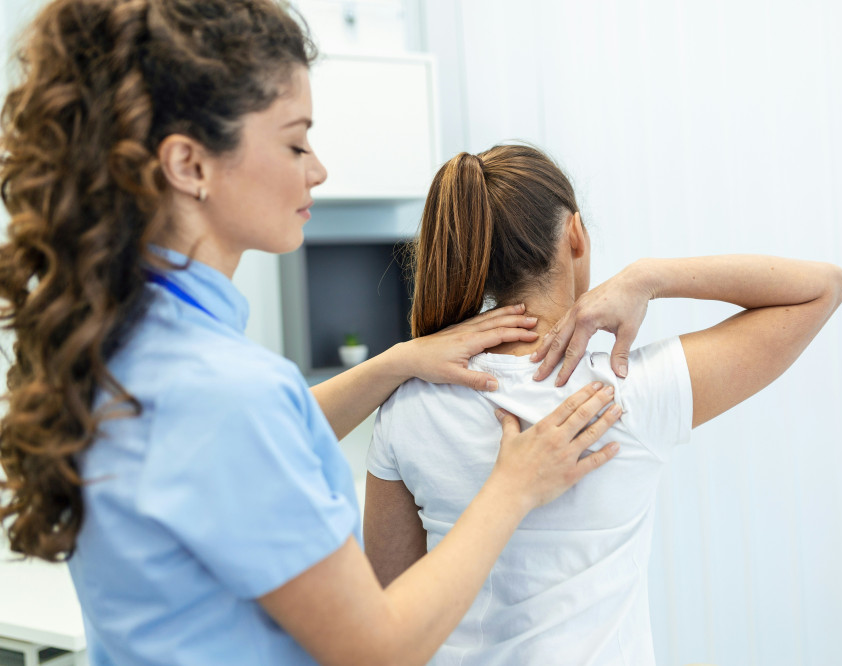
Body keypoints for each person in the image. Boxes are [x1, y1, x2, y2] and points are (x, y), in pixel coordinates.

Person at [0, 3, 624, 665]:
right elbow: (379, 649)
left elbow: (244, 452)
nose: (317, 169)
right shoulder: (228, 393)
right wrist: (514, 487)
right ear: (189, 165)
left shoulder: (129, 345)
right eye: (295, 143)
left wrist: (398, 362)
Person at [364, 144, 842, 664]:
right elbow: (823, 288)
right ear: (576, 235)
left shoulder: (406, 405)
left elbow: (389, 613)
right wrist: (648, 278)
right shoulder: (627, 392)